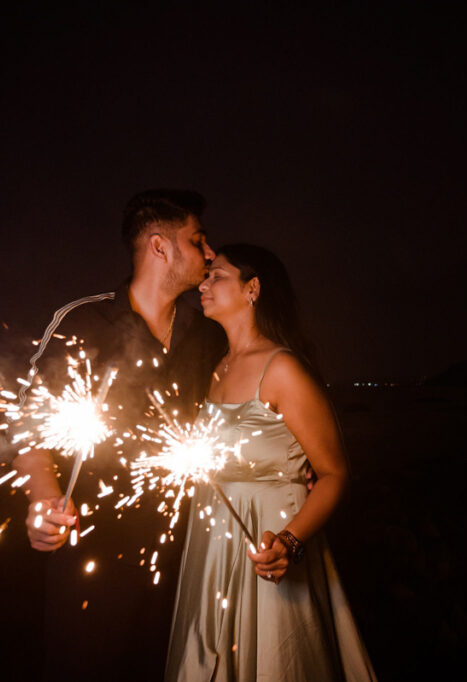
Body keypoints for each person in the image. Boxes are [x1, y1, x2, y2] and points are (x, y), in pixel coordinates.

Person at [13, 189, 225, 681]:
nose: (210, 253)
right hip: (94, 552)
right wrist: (44, 500)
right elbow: (28, 424)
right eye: (198, 240)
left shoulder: (208, 333)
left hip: (187, 556)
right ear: (159, 247)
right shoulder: (84, 321)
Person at [165, 244, 377, 681]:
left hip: (272, 541)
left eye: (217, 275)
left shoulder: (281, 369)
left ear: (252, 288)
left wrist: (290, 542)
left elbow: (336, 473)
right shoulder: (218, 369)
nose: (202, 284)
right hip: (214, 544)